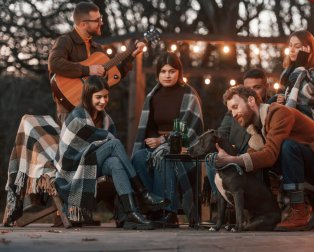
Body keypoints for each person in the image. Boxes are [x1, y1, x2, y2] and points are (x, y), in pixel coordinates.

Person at [216, 85, 314, 230]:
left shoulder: (279, 112)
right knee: (257, 159)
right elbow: (255, 155)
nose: (233, 114)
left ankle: (299, 210)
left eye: (235, 107)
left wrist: (232, 159)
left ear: (251, 101)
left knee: (287, 146)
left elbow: (270, 155)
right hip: (304, 167)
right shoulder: (257, 129)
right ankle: (265, 212)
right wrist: (232, 160)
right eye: (230, 110)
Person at [54, 75, 168, 230]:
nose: (103, 101)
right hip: (74, 167)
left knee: (114, 162)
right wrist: (107, 139)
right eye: (98, 97)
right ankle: (142, 193)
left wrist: (106, 141)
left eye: (106, 96)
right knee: (113, 143)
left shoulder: (105, 119)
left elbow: (108, 149)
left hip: (92, 162)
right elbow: (74, 153)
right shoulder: (77, 116)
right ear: (88, 96)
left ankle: (131, 213)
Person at [131, 52, 204, 227]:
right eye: (163, 71)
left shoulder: (189, 95)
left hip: (183, 150)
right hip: (158, 146)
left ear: (179, 72)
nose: (167, 75)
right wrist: (156, 141)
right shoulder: (152, 96)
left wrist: (163, 142)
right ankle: (153, 207)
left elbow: (191, 131)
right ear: (158, 74)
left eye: (172, 71)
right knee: (139, 158)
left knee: (164, 155)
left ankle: (169, 212)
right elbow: (148, 130)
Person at [48, 2, 145, 124]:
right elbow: (54, 63)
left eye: (101, 19)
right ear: (83, 24)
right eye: (97, 20)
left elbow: (113, 76)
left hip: (94, 110)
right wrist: (87, 70)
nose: (101, 23)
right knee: (76, 143)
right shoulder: (65, 41)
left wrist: (130, 56)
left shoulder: (97, 48)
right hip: (70, 108)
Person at [205, 68, 270, 199]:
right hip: (233, 156)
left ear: (266, 87)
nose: (252, 93)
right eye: (248, 89)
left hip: (256, 159)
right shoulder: (233, 111)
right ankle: (220, 199)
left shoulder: (270, 109)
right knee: (212, 158)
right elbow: (221, 133)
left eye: (257, 87)